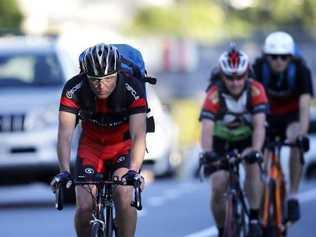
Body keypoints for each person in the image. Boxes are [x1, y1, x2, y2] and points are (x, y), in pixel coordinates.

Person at [51, 43, 148, 237]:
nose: (101, 85)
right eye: (94, 80)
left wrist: (134, 171)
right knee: (85, 207)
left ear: (117, 73)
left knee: (123, 195)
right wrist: (64, 171)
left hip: (122, 146)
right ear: (85, 76)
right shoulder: (74, 88)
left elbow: (138, 134)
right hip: (91, 147)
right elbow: (64, 135)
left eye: (108, 79)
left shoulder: (132, 88)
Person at [199, 45, 268, 237]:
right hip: (220, 142)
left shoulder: (256, 90)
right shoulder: (214, 93)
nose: (235, 82)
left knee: (253, 169)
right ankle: (222, 229)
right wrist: (207, 152)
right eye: (230, 77)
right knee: (219, 184)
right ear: (222, 76)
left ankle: (254, 218)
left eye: (240, 77)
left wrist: (255, 149)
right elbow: (206, 127)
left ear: (247, 74)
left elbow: (260, 125)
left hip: (247, 139)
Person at [253, 31, 313, 223]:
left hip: (291, 116)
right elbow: (252, 102)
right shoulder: (258, 68)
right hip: (267, 114)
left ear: (291, 57)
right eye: (273, 57)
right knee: (258, 155)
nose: (278, 61)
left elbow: (304, 105)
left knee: (295, 142)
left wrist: (303, 134)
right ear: (266, 57)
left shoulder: (301, 70)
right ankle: (259, 196)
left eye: (284, 57)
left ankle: (293, 196)